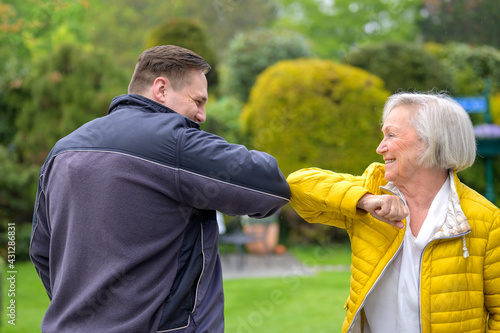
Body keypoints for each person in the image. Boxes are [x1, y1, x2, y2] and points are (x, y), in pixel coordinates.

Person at [30, 45, 290, 333]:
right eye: (198, 101)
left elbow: (42, 251)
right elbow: (269, 184)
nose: (202, 115)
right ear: (161, 89)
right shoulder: (175, 143)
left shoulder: (62, 150)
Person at [287, 92, 500, 333]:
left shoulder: (488, 221)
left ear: (432, 141)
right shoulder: (368, 195)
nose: (380, 148)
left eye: (391, 135)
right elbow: (296, 186)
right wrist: (365, 201)